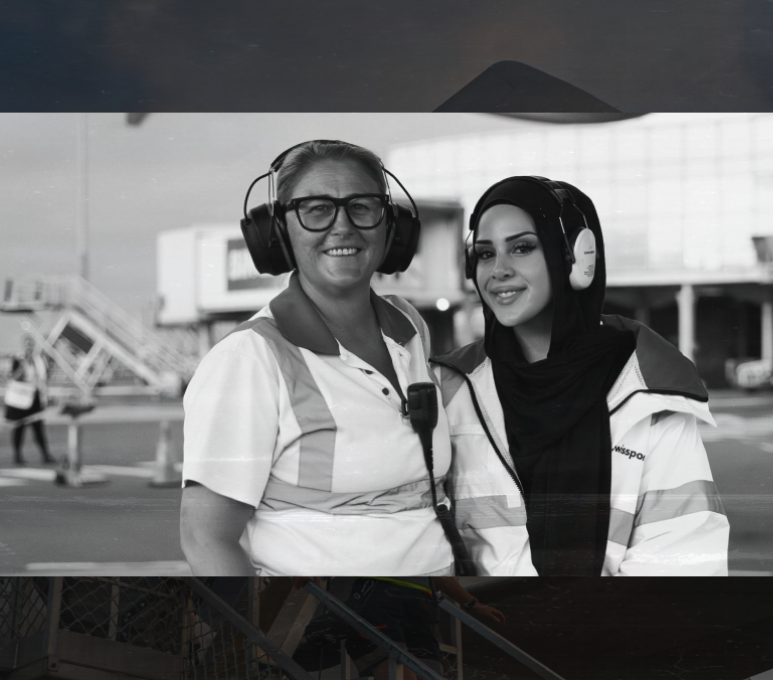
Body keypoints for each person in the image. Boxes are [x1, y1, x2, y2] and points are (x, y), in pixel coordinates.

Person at [180, 140, 454, 577]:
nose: (343, 226)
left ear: (391, 227)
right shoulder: (248, 358)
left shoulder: (409, 326)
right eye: (316, 209)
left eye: (362, 207)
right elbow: (205, 539)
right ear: (278, 231)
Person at [432, 176, 729, 576]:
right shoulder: (448, 388)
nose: (498, 270)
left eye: (522, 247)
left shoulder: (647, 389)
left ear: (576, 258)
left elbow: (681, 561)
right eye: (485, 254)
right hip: (479, 633)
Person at [292, 576, 505, 680]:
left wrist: (472, 604)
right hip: (380, 596)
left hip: (420, 603)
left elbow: (440, 574)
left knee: (427, 672)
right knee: (399, 671)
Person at [3, 345, 55, 466]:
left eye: (31, 345)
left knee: (38, 428)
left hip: (35, 398)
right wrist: (23, 364)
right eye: (27, 345)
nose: (29, 348)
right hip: (21, 399)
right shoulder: (18, 360)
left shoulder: (39, 360)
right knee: (19, 428)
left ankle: (45, 455)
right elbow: (13, 377)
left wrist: (46, 395)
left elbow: (44, 377)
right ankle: (17, 455)